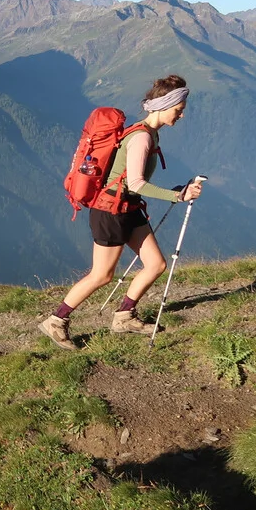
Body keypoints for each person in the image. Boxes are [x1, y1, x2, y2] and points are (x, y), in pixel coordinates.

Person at [39, 75, 204, 350]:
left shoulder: (151, 133)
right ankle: (56, 321)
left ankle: (124, 316)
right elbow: (137, 183)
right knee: (102, 275)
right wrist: (178, 195)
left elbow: (133, 183)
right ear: (164, 106)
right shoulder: (141, 137)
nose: (182, 115)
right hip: (111, 211)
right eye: (179, 109)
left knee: (156, 265)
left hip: (129, 207)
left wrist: (177, 190)